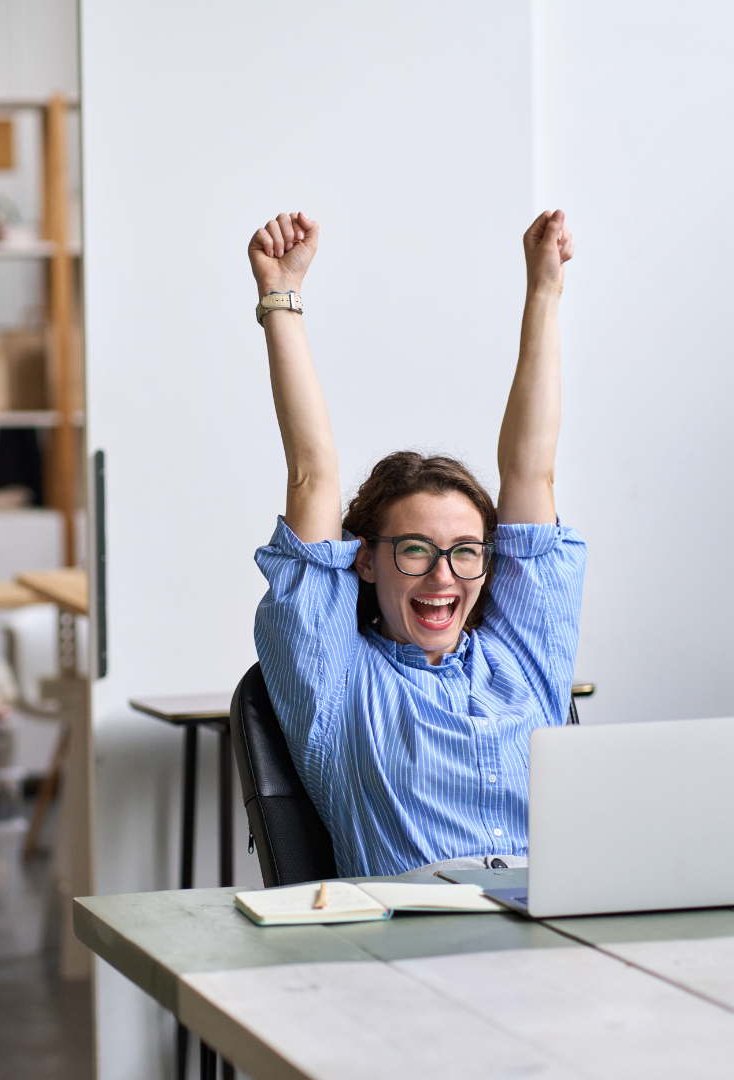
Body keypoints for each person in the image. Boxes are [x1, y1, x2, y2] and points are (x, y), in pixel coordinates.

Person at [249, 209, 586, 877]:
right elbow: (312, 475)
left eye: (466, 551)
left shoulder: (523, 662)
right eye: (415, 550)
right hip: (418, 937)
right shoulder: (340, 684)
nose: (444, 576)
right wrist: (280, 299)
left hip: (555, 925)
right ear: (366, 559)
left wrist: (545, 291)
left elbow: (532, 473)